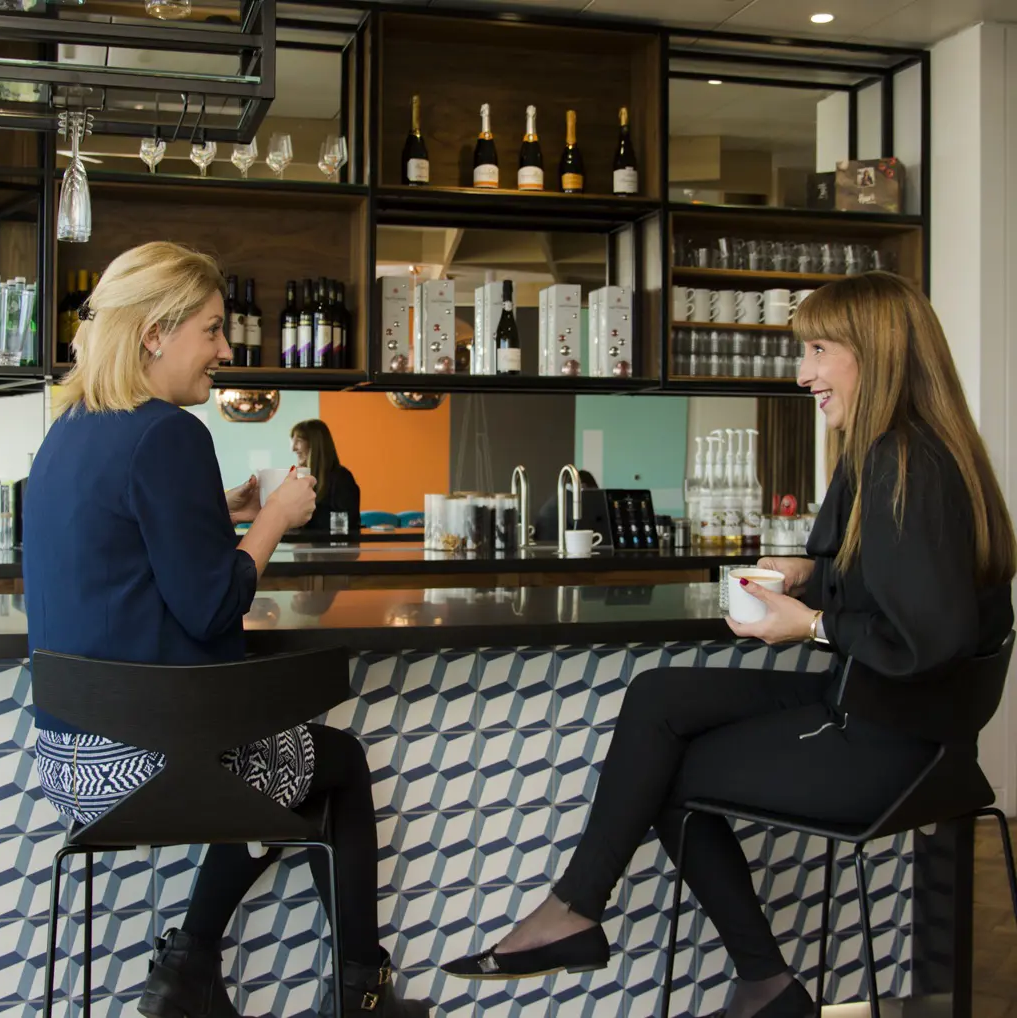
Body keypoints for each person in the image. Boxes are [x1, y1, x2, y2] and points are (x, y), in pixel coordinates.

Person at [442, 271, 1016, 1018]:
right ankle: (591, 916)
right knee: (660, 698)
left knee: (664, 774)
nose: (803, 373)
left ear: (877, 352)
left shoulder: (899, 462)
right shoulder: (916, 451)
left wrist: (805, 623)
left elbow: (931, 639)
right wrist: (815, 572)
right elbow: (906, 583)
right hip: (899, 715)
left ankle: (735, 971)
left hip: (893, 740)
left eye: (816, 350)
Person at [24, 242, 425, 1018]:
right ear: (154, 335)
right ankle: (357, 993)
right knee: (334, 766)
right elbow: (211, 607)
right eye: (210, 330)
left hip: (74, 764)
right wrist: (274, 517)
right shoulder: (167, 431)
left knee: (275, 767)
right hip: (150, 764)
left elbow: (131, 544)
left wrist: (222, 509)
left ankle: (192, 969)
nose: (226, 348)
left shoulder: (72, 426)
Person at [290, 418, 361, 534]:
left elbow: (345, 525)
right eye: (293, 441)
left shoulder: (342, 478)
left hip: (333, 550)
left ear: (315, 443)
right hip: (306, 550)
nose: (293, 448)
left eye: (299, 440)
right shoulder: (303, 478)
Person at [533, 469, 598, 544]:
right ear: (583, 486)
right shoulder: (570, 498)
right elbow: (581, 526)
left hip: (545, 544)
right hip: (554, 545)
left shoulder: (561, 496)